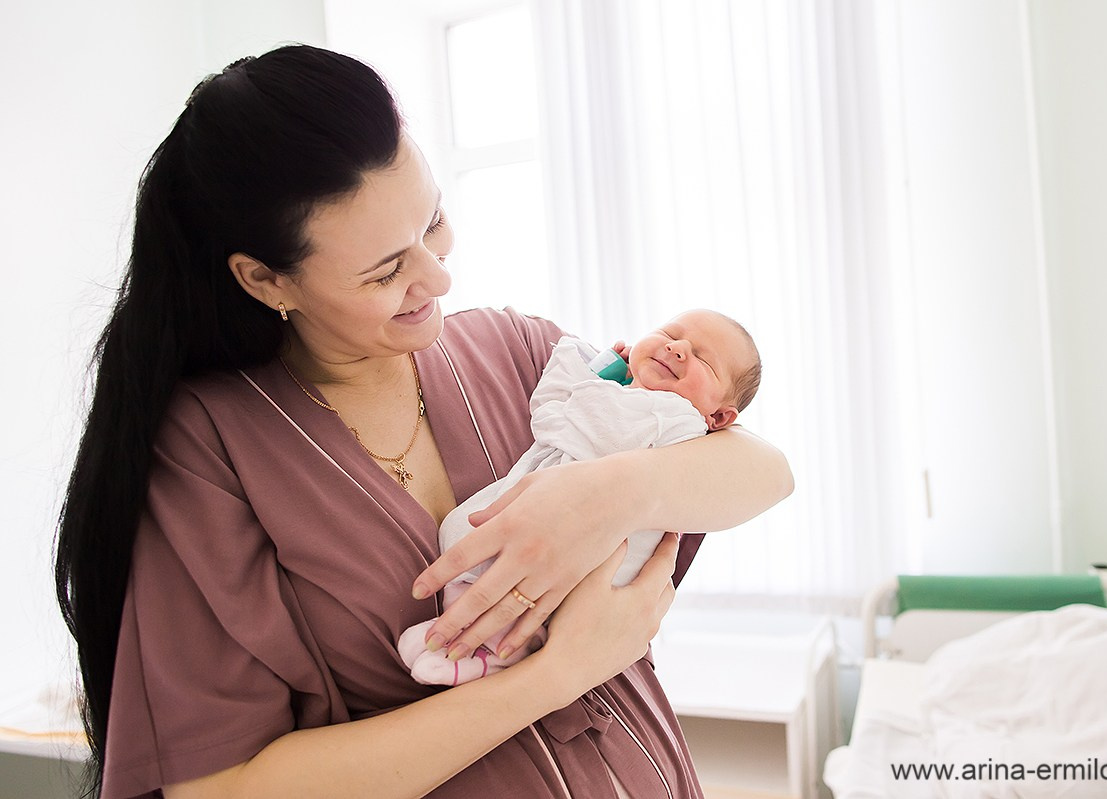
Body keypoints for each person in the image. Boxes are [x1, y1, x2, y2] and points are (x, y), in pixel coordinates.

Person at [53, 45, 792, 799]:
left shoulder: (517, 350)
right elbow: (220, 786)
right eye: (384, 271)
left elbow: (764, 471)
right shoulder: (210, 447)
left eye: (432, 221)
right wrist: (559, 671)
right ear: (266, 279)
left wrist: (611, 493)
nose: (439, 277)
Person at [399, 309, 762, 685]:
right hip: (551, 512)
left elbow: (566, 418)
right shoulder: (619, 400)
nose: (678, 348)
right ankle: (454, 629)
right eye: (669, 332)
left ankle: (497, 653)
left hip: (606, 556)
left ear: (718, 418)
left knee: (529, 570)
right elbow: (552, 407)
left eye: (703, 358)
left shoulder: (681, 422)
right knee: (464, 529)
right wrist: (611, 374)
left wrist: (603, 377)